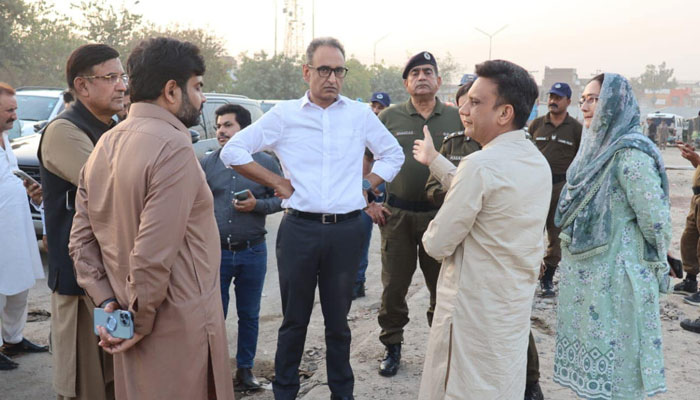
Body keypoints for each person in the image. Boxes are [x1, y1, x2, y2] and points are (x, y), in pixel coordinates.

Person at [220, 37, 404, 400]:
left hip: (347, 230)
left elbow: (393, 154)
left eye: (338, 70)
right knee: (294, 322)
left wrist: (366, 184)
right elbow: (233, 150)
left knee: (338, 324)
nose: (332, 78)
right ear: (307, 72)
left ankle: (342, 393)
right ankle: (286, 391)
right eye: (324, 70)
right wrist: (274, 180)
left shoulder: (358, 114)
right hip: (299, 230)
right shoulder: (285, 115)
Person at [68, 37, 235, 400]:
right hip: (175, 330)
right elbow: (151, 254)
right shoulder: (174, 147)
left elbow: (81, 243)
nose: (203, 98)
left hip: (126, 321)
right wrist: (140, 323)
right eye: (198, 87)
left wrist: (110, 308)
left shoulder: (105, 145)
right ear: (172, 90)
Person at [412, 59, 549, 399]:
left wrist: (433, 228)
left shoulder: (479, 164)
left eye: (475, 102)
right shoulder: (536, 161)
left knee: (463, 388)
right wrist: (436, 160)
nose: (465, 109)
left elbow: (437, 243)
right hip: (509, 308)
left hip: (471, 310)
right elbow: (488, 193)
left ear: (504, 113)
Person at [553, 74, 671, 399]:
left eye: (595, 98)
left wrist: (660, 260)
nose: (587, 106)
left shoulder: (630, 154)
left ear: (615, 103)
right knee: (597, 372)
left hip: (618, 278)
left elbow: (656, 221)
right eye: (584, 99)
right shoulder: (592, 150)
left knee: (619, 372)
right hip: (588, 280)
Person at [39, 43, 125, 400]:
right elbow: (114, 189)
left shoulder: (112, 126)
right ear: (82, 85)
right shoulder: (65, 130)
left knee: (112, 376)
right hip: (79, 285)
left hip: (109, 282)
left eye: (123, 77)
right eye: (111, 78)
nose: (122, 86)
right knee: (83, 383)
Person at [376, 51, 463, 377]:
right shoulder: (389, 116)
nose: (421, 76)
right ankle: (392, 346)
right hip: (395, 215)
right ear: (405, 83)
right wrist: (370, 198)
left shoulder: (456, 117)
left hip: (440, 216)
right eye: (415, 73)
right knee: (394, 287)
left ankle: (441, 349)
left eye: (428, 71)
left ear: (439, 81)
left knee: (443, 287)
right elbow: (366, 157)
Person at [200, 103, 282, 391]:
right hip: (216, 253)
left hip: (253, 251)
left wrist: (257, 205)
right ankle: (215, 370)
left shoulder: (265, 163)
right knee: (214, 314)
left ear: (244, 130)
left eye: (228, 125)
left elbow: (283, 198)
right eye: (219, 125)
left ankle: (245, 371)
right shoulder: (207, 163)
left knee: (249, 314)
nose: (221, 131)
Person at [0, 82, 47, 371]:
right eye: (9, 110)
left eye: (15, 109)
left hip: (17, 226)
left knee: (20, 287)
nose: (15, 116)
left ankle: (14, 338)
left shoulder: (6, 141)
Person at [528, 82, 583, 297]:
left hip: (561, 186)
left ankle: (547, 277)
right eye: (551, 96)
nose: (553, 100)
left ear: (568, 101)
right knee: (530, 231)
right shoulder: (536, 125)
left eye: (558, 97)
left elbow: (581, 160)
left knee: (556, 234)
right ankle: (527, 273)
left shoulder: (576, 129)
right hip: (535, 186)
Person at [353, 91, 392, 300]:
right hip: (369, 189)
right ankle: (357, 282)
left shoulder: (392, 130)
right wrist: (365, 188)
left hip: (391, 192)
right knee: (361, 236)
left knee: (392, 243)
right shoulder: (364, 131)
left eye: (381, 107)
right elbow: (364, 162)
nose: (376, 110)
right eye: (374, 106)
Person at [424, 77, 480, 206]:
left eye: (474, 105)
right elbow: (432, 191)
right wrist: (454, 189)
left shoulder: (510, 145)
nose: (465, 112)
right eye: (461, 107)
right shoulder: (453, 144)